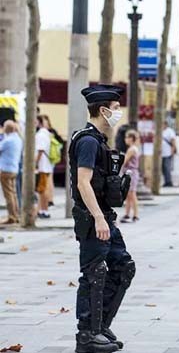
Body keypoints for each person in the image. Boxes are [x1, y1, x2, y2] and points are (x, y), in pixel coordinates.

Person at [69, 84, 135, 353]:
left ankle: (100, 326)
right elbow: (83, 183)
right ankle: (87, 335)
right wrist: (97, 217)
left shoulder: (98, 140)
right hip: (93, 218)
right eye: (116, 108)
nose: (119, 113)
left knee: (123, 267)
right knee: (94, 273)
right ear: (104, 109)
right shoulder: (87, 141)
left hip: (105, 216)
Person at [0, 120, 23, 224]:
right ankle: (16, 215)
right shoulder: (18, 139)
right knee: (13, 193)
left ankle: (11, 217)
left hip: (5, 169)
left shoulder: (8, 140)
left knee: (8, 194)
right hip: (14, 169)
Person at [35, 115, 54, 218]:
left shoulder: (41, 134)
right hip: (46, 165)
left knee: (42, 190)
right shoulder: (46, 134)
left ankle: (44, 211)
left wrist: (35, 163)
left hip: (42, 166)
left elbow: (40, 151)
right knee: (42, 189)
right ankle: (43, 210)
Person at [119, 130, 141, 223]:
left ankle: (135, 215)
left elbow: (125, 160)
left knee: (132, 194)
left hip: (131, 173)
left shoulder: (132, 149)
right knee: (128, 195)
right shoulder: (134, 148)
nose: (125, 139)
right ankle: (127, 214)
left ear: (131, 139)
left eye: (127, 137)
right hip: (131, 172)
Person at [161, 123, 177, 187]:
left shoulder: (170, 131)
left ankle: (169, 182)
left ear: (166, 124)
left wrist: (172, 151)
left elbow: (173, 141)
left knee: (167, 167)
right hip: (161, 153)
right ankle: (166, 181)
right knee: (163, 168)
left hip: (168, 152)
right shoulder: (160, 130)